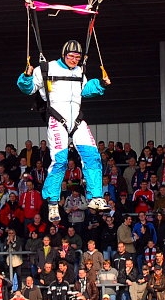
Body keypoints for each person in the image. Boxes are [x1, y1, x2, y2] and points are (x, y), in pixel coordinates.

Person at [17, 40, 110, 222]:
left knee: (92, 156)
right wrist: (26, 76)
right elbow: (28, 88)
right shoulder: (46, 68)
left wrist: (100, 84)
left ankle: (95, 196)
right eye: (71, 56)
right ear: (63, 55)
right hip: (57, 119)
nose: (74, 60)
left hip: (77, 120)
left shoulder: (79, 71)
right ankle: (53, 202)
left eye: (77, 57)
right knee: (60, 160)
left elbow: (85, 90)